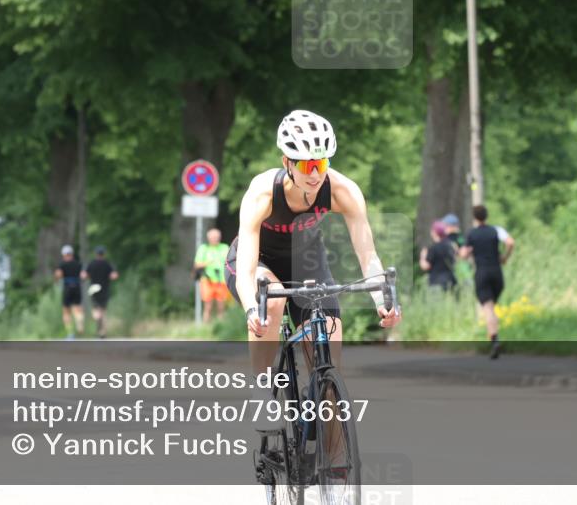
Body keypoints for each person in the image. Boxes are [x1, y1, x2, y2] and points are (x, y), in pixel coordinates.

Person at [225, 110, 401, 431]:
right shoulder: (263, 192)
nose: (315, 173)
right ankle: (262, 389)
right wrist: (253, 306)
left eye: (322, 163)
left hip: (305, 259)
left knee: (331, 366)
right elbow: (248, 264)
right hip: (257, 261)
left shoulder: (342, 190)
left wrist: (381, 300)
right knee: (273, 302)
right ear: (287, 163)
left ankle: (333, 471)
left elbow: (368, 255)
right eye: (307, 165)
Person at [460, 205, 515, 358]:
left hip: (482, 273)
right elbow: (510, 243)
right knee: (491, 307)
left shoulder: (472, 234)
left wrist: (467, 252)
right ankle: (493, 334)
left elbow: (463, 254)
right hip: (497, 273)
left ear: (474, 217)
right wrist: (504, 257)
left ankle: (494, 340)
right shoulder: (496, 230)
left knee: (488, 309)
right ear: (487, 216)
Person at [194, 228, 230, 323]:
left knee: (221, 306)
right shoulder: (204, 248)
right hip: (207, 280)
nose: (215, 239)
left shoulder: (224, 247)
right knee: (208, 306)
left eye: (217, 237)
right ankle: (205, 326)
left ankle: (220, 326)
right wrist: (209, 263)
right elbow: (197, 264)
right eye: (213, 237)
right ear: (208, 238)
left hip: (221, 280)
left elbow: (230, 262)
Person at [83, 245, 119, 338]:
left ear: (96, 254)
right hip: (104, 289)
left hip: (93, 289)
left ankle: (98, 321)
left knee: (96, 310)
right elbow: (114, 276)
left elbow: (84, 276)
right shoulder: (107, 264)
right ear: (104, 254)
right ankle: (102, 332)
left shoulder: (91, 264)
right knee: (103, 311)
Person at [54, 244, 84, 339]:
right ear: (72, 254)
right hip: (77, 287)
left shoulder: (62, 264)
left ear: (64, 254)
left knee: (66, 312)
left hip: (67, 288)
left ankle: (70, 333)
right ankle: (79, 324)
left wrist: (57, 279)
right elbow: (83, 276)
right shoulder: (78, 264)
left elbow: (58, 275)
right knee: (78, 308)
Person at [420, 221, 457, 292]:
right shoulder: (450, 246)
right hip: (451, 282)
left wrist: (423, 256)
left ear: (435, 232)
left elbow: (425, 266)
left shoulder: (433, 248)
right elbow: (455, 260)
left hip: (436, 283)